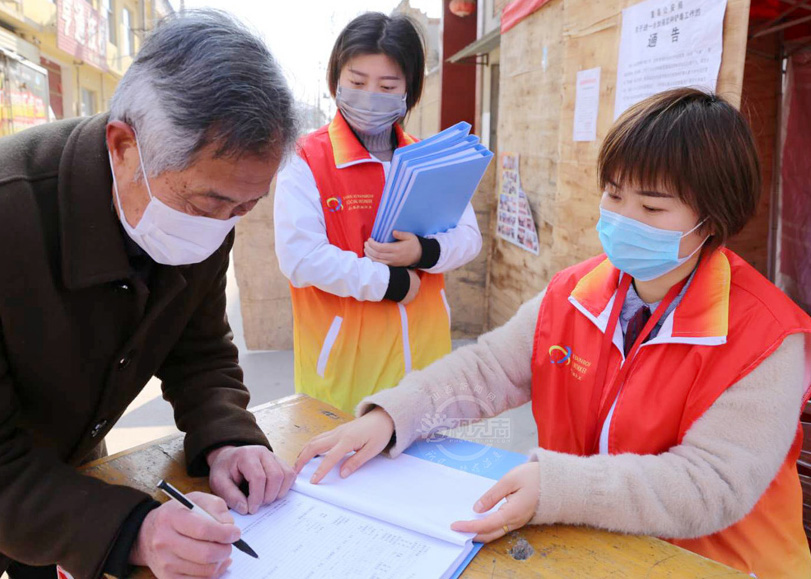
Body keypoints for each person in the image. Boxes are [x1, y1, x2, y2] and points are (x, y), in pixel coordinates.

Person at [295, 88, 811, 578]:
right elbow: (489, 368)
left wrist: (559, 487)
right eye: (613, 194)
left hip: (722, 565)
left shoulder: (767, 337)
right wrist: (393, 416)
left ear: (712, 220)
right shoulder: (577, 292)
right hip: (596, 549)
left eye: (652, 208)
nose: (621, 216)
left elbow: (710, 485)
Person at [0, 10, 299, 579]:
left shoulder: (202, 212)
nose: (221, 226)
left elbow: (200, 349)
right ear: (123, 146)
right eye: (209, 203)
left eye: (246, 208)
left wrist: (226, 438)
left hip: (72, 477)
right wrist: (133, 529)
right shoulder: (11, 216)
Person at [274, 12, 482, 414]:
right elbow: (300, 257)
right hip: (343, 368)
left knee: (421, 462)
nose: (370, 95)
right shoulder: (305, 158)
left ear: (410, 90)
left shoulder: (430, 157)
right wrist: (388, 282)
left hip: (426, 361)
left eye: (387, 86)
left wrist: (425, 252)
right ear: (335, 79)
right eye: (356, 82)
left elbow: (468, 236)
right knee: (342, 463)